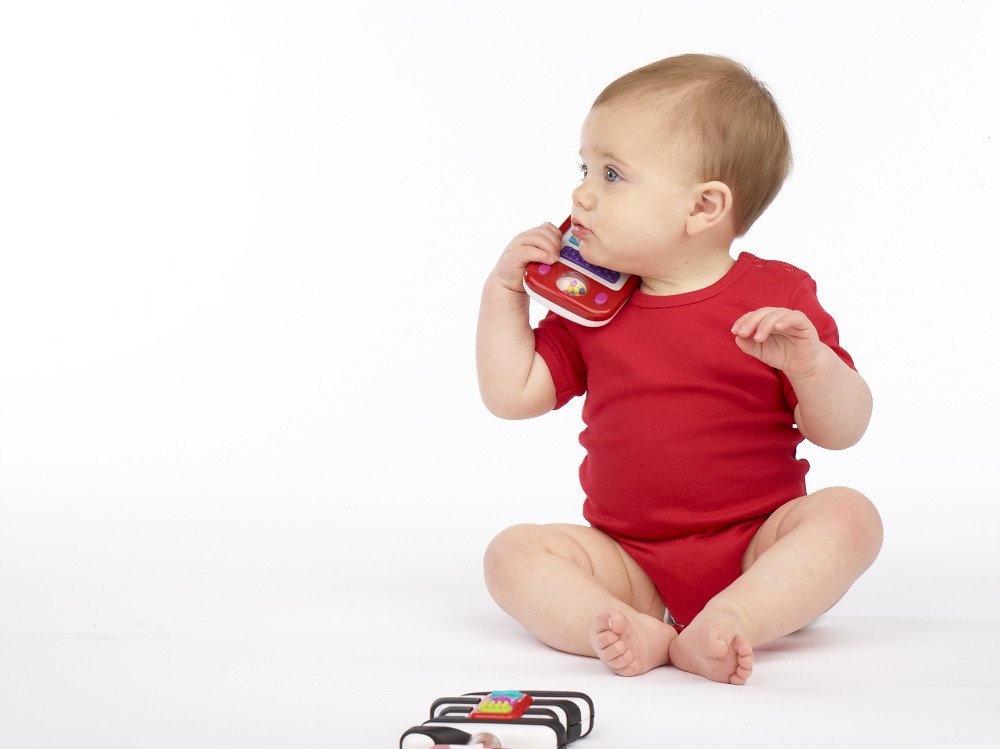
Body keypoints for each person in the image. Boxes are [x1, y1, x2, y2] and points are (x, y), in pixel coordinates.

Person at [475, 54, 883, 685]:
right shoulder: (593, 303)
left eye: (612, 174)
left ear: (703, 207)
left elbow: (843, 430)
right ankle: (624, 623)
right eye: (584, 169)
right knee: (511, 554)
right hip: (626, 562)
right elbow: (512, 394)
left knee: (851, 516)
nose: (581, 193)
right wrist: (504, 292)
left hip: (758, 551)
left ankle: (736, 617)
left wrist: (812, 368)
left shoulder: (779, 299)